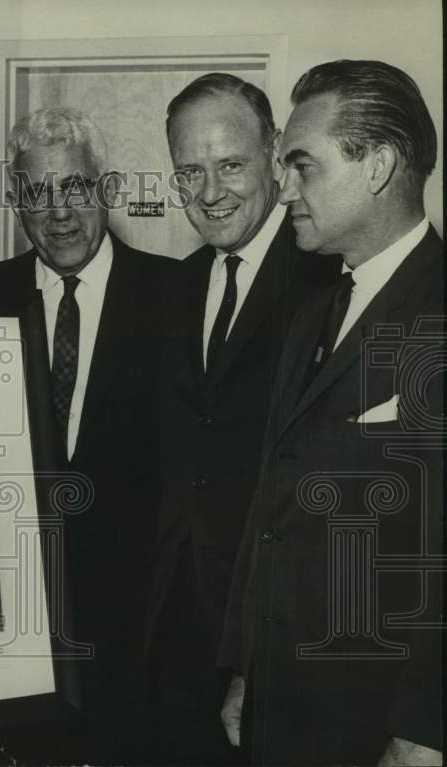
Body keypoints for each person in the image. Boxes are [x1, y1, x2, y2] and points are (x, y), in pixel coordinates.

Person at [219, 59, 443, 765]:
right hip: (280, 708)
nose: (282, 188)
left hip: (376, 724)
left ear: (377, 164)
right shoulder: (316, 305)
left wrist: (424, 727)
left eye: (302, 166)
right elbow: (270, 502)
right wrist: (245, 666)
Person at [0, 107, 175, 764]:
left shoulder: (178, 299)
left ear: (105, 189)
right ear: (15, 203)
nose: (58, 211)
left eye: (75, 186)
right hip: (14, 649)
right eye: (36, 192)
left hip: (143, 654)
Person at [146, 74, 340, 764]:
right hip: (172, 635)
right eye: (189, 172)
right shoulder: (174, 289)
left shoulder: (329, 282)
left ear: (276, 154)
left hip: (274, 640)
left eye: (230, 165)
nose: (209, 192)